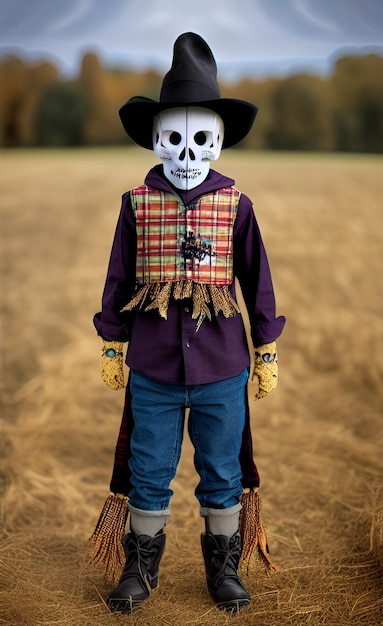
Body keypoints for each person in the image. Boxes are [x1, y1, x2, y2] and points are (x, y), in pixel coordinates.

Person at [90, 32, 285, 615]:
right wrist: (111, 345)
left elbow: (259, 280)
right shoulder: (134, 204)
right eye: (173, 138)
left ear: (219, 142)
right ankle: (139, 567)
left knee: (221, 469)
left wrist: (268, 349)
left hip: (222, 367)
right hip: (152, 367)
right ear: (154, 139)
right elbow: (118, 276)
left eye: (200, 138)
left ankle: (223, 570)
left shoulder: (239, 207)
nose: (185, 151)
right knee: (148, 467)